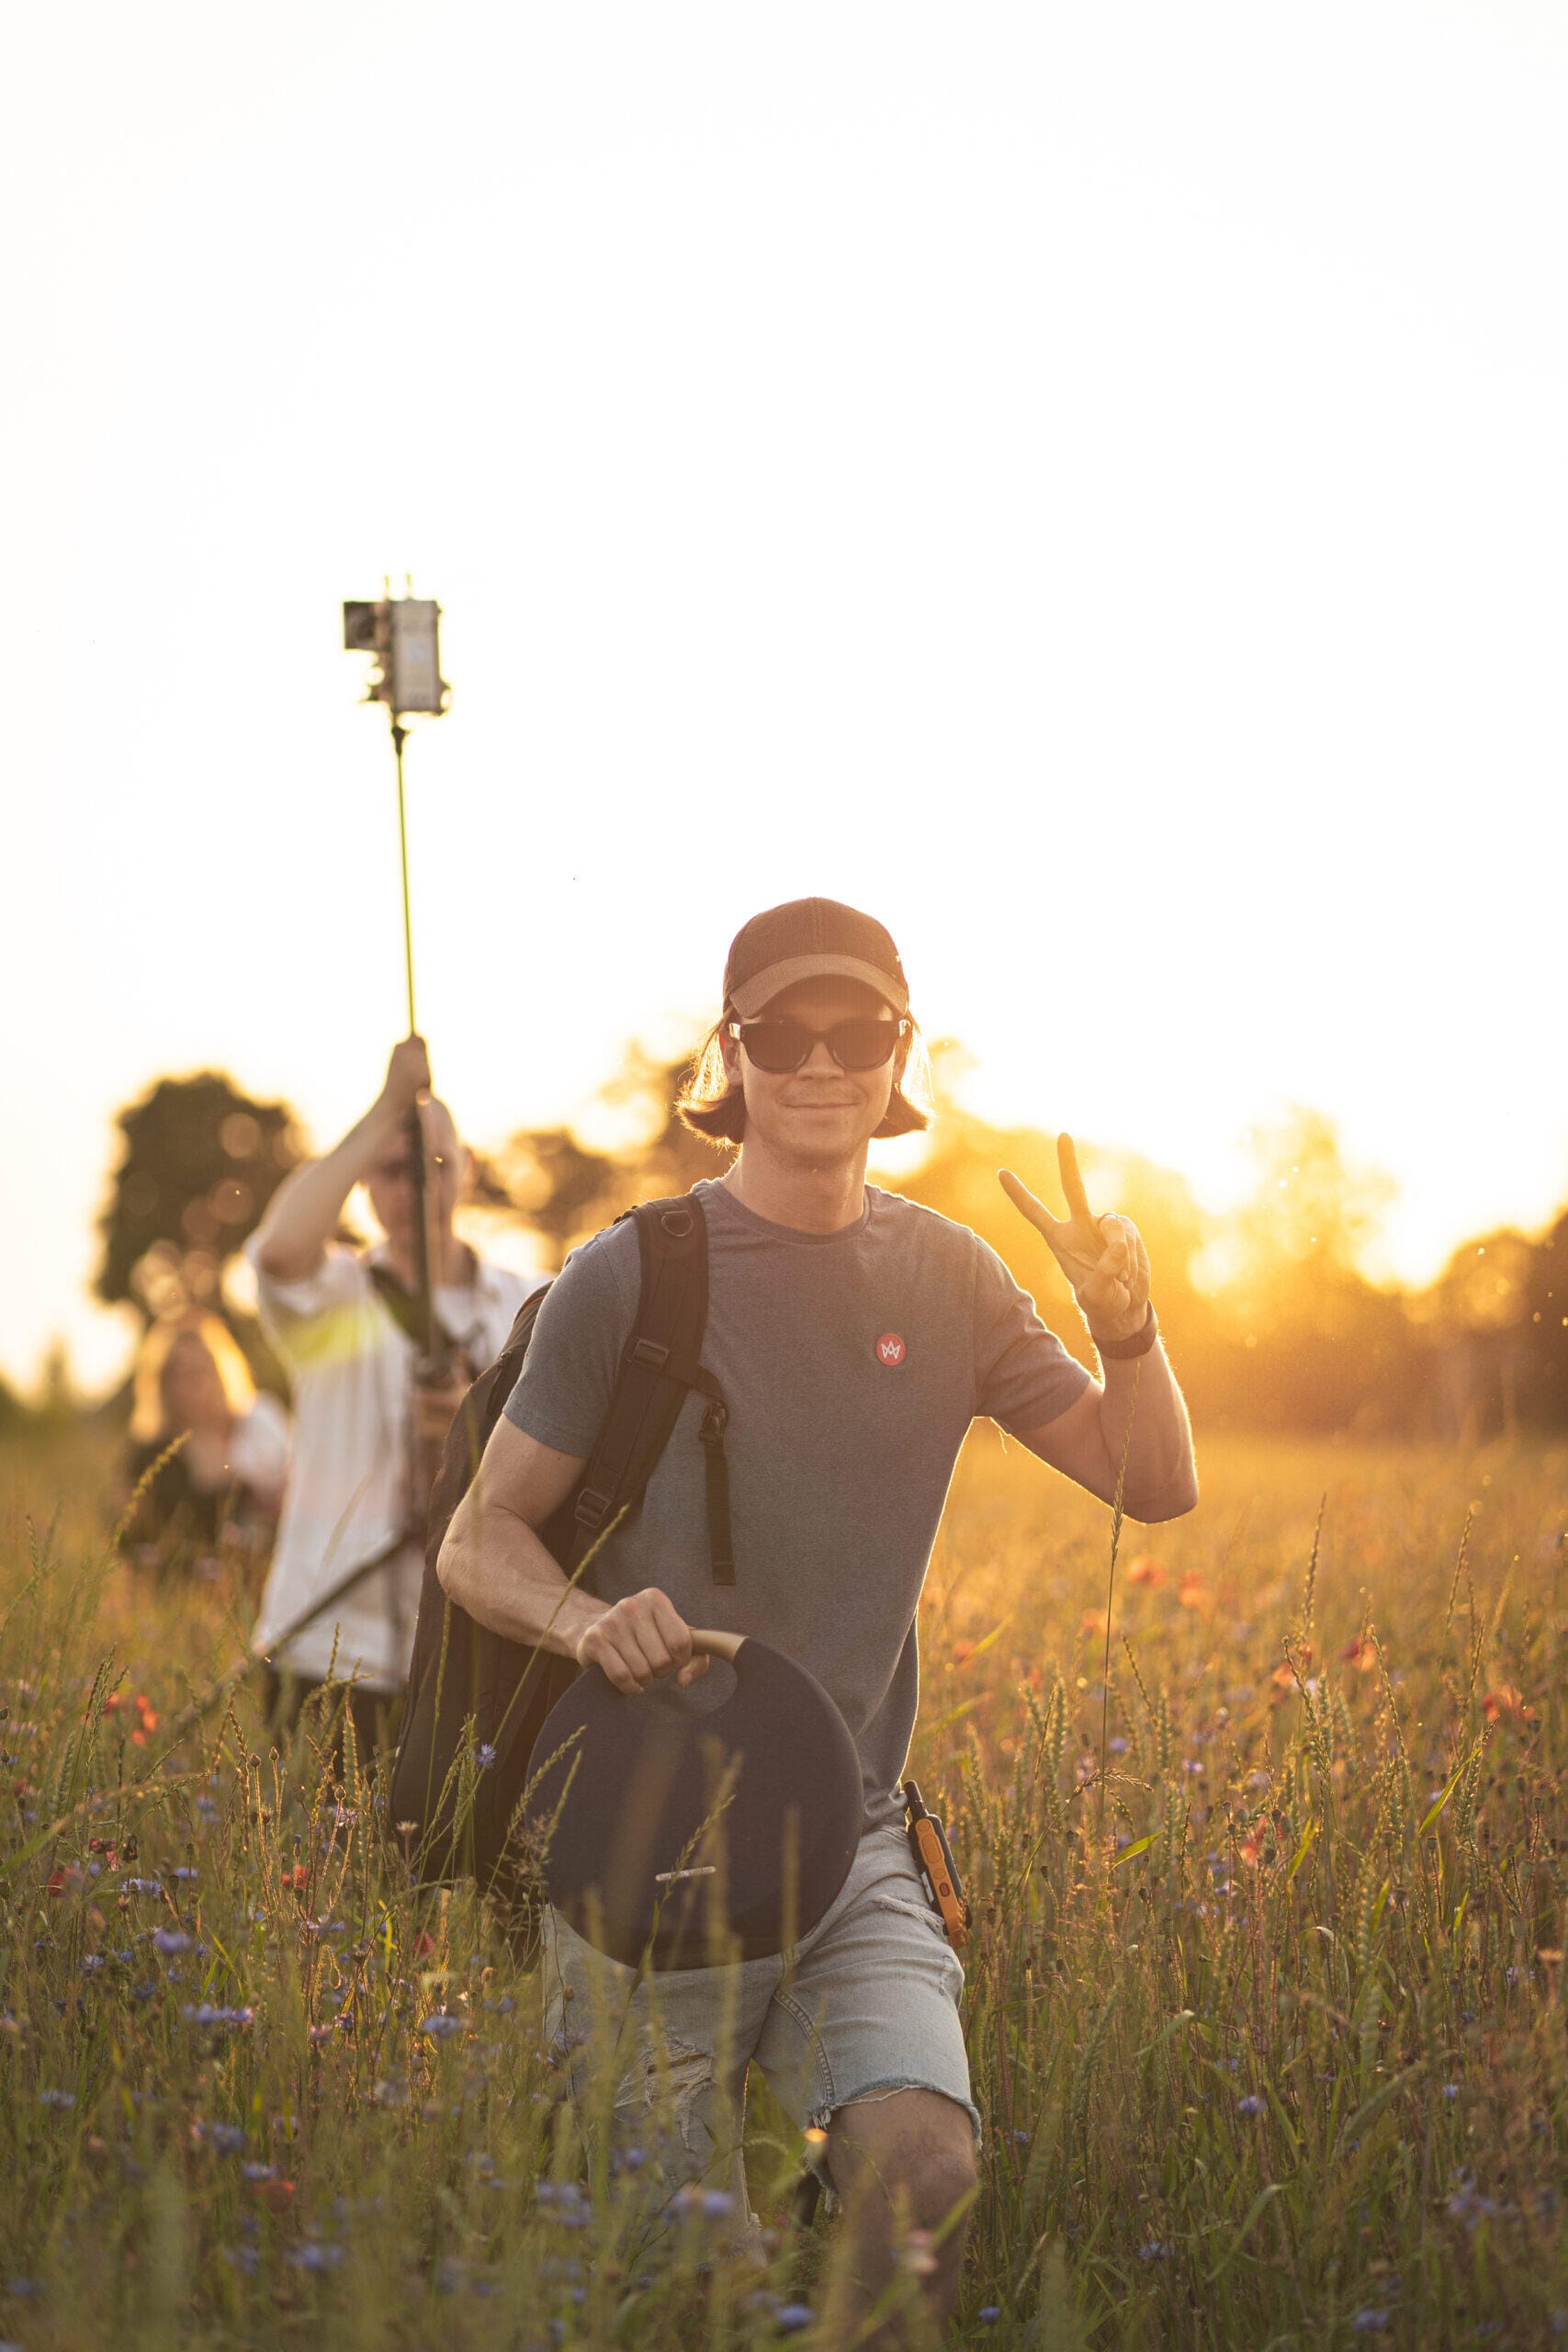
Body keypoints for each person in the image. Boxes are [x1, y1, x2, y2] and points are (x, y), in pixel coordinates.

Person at [437, 898, 1199, 2340]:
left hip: (849, 1833)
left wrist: (1128, 1329)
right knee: (659, 2285)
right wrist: (588, 1620)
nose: (819, 1062)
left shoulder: (953, 1278)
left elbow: (1147, 1484)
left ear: (898, 1053)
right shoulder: (635, 1273)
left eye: (855, 1034)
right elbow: (480, 1542)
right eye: (782, 1033)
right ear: (731, 1053)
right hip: (639, 1840)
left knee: (920, 2176)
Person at [247, 1036, 541, 1756]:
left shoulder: (524, 1301)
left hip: (467, 1647)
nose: (414, 1182)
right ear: (366, 1183)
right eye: (392, 1167)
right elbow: (279, 1252)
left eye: (436, 1163)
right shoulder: (335, 1295)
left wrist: (466, 1438)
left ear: (468, 1170)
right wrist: (387, 1106)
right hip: (326, 1646)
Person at [122, 1310, 289, 1570]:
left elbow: (298, 1493)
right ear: (162, 1383)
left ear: (222, 1370)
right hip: (195, 1585)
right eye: (180, 1374)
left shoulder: (260, 1420)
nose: (194, 1384)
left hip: (273, 1566)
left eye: (202, 1370)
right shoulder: (153, 1455)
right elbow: (129, 1536)